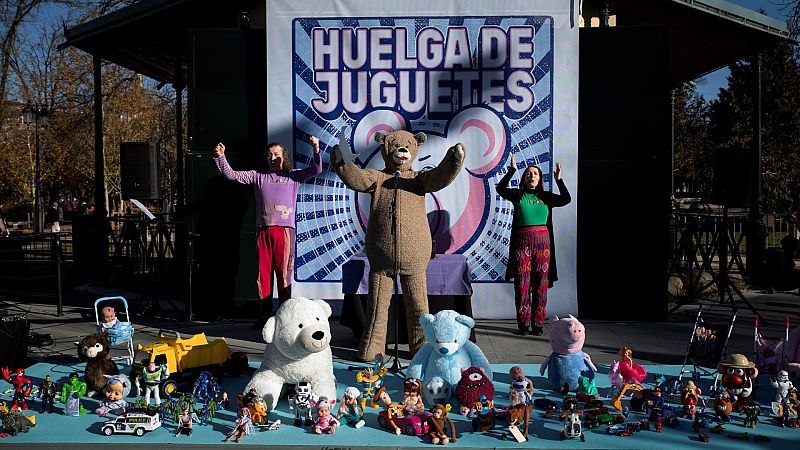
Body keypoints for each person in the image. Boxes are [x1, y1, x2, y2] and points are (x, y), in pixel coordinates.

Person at [213, 136, 321, 321]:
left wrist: (316, 148)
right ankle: (264, 315)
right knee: (263, 275)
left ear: (284, 156)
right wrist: (221, 156)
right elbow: (231, 175)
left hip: (284, 232)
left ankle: (285, 317)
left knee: (284, 275)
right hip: (263, 231)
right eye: (270, 155)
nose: (273, 158)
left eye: (277, 154)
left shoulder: (293, 176)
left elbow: (316, 169)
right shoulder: (258, 176)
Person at [496, 155, 571, 336]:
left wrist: (559, 180)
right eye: (529, 173)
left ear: (540, 179)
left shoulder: (546, 197)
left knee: (540, 284)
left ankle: (538, 324)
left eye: (535, 173)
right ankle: (523, 324)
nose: (532, 176)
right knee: (522, 284)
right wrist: (512, 170)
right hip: (522, 243)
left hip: (543, 244)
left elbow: (566, 199)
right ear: (524, 178)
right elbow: (500, 188)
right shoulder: (518, 195)